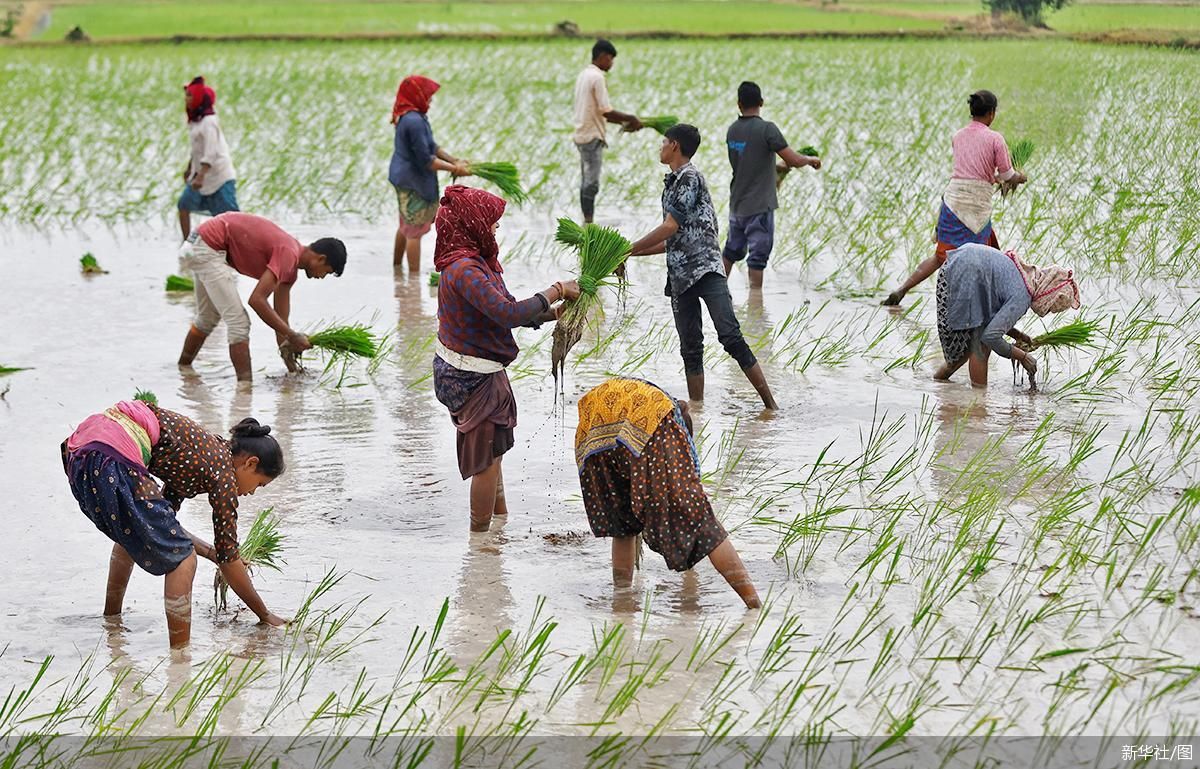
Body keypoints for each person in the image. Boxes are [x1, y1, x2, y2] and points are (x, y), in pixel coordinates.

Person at [61, 401, 288, 647]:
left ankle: (111, 621)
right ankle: (180, 658)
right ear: (250, 463)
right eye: (259, 484)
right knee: (183, 559)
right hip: (112, 454)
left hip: (83, 450)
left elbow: (164, 527)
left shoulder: (202, 455)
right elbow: (228, 559)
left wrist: (214, 554)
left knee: (134, 531)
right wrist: (265, 615)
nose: (252, 493)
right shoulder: (223, 473)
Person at [432, 185, 581, 532]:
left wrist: (552, 314)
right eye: (493, 223)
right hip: (469, 376)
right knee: (486, 461)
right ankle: (480, 541)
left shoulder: (478, 264)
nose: (496, 229)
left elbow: (508, 308)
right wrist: (556, 289)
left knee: (493, 451)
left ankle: (499, 524)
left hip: (477, 368)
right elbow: (506, 313)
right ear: (473, 224)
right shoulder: (464, 270)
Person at [628, 123, 778, 410]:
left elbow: (669, 227)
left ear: (674, 146)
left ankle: (771, 406)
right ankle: (697, 412)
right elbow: (673, 239)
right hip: (680, 275)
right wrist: (628, 255)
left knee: (730, 335)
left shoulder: (689, 178)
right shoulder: (670, 183)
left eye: (663, 142)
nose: (660, 147)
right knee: (690, 349)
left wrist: (630, 247)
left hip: (706, 270)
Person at [575, 378, 761, 608]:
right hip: (639, 416)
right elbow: (689, 494)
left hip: (593, 423)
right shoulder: (670, 422)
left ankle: (622, 600)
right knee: (703, 522)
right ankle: (754, 606)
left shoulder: (663, 404)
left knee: (623, 526)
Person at [883, 90, 1028, 306]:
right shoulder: (995, 138)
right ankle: (986, 308)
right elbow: (1007, 175)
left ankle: (902, 289)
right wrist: (1019, 177)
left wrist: (993, 178)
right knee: (985, 260)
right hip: (976, 207)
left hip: (952, 202)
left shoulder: (958, 136)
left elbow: (971, 171)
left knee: (940, 256)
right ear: (991, 114)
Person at [177, 212, 347, 381]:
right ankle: (244, 390)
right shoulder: (289, 253)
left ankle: (183, 369)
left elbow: (281, 321)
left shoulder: (290, 272)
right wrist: (293, 335)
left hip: (199, 243)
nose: (322, 277)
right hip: (208, 246)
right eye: (327, 272)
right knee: (239, 323)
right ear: (321, 259)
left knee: (208, 317)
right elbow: (257, 300)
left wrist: (292, 369)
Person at [934, 243, 1080, 388]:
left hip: (956, 267)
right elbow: (990, 337)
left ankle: (939, 382)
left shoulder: (1025, 278)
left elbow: (990, 318)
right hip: (963, 274)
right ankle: (978, 400)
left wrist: (1017, 335)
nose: (1048, 311)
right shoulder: (1023, 296)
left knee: (964, 351)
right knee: (981, 346)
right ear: (1048, 296)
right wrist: (1023, 357)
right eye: (1051, 307)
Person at [723, 81, 821, 289]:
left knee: (731, 252)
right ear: (761, 102)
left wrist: (779, 167)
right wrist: (810, 160)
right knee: (757, 258)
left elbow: (749, 162)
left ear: (739, 104)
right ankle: (755, 303)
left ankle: (717, 292)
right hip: (760, 206)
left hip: (737, 205)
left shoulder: (732, 131)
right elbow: (793, 159)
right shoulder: (767, 129)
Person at [389, 75, 470, 272]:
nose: (431, 101)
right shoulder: (414, 121)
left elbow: (431, 146)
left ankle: (397, 271)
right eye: (428, 96)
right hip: (412, 181)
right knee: (414, 232)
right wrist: (455, 169)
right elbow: (426, 161)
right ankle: (413, 280)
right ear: (417, 96)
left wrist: (454, 160)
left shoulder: (412, 116)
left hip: (404, 177)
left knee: (405, 224)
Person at [573, 39, 643, 223]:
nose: (611, 63)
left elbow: (603, 114)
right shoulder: (597, 77)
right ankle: (588, 223)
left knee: (586, 181)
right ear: (603, 56)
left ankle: (587, 221)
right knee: (591, 183)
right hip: (591, 136)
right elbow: (606, 110)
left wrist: (625, 123)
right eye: (611, 59)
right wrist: (631, 118)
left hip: (582, 134)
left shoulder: (584, 74)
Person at [177, 77, 239, 242]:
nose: (186, 98)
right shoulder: (196, 121)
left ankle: (238, 246)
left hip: (219, 176)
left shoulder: (209, 122)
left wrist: (201, 175)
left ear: (199, 99)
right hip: (200, 175)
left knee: (230, 218)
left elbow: (211, 151)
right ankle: (187, 243)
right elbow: (197, 149)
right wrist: (190, 168)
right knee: (184, 205)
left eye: (190, 95)